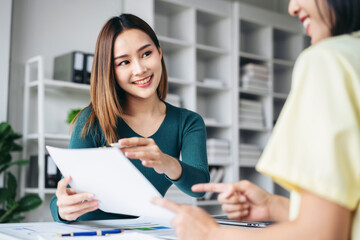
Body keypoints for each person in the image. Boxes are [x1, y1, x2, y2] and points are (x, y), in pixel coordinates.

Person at [153, 0, 360, 239]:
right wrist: (276, 207)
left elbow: (322, 234)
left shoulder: (328, 59)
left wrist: (210, 234)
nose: (292, 8)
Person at [50, 13, 210, 223]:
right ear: (110, 71)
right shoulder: (91, 121)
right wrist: (62, 210)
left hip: (143, 231)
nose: (140, 69)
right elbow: (61, 198)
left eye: (146, 54)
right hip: (91, 232)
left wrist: (166, 162)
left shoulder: (187, 122)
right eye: (124, 62)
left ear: (159, 51)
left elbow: (199, 188)